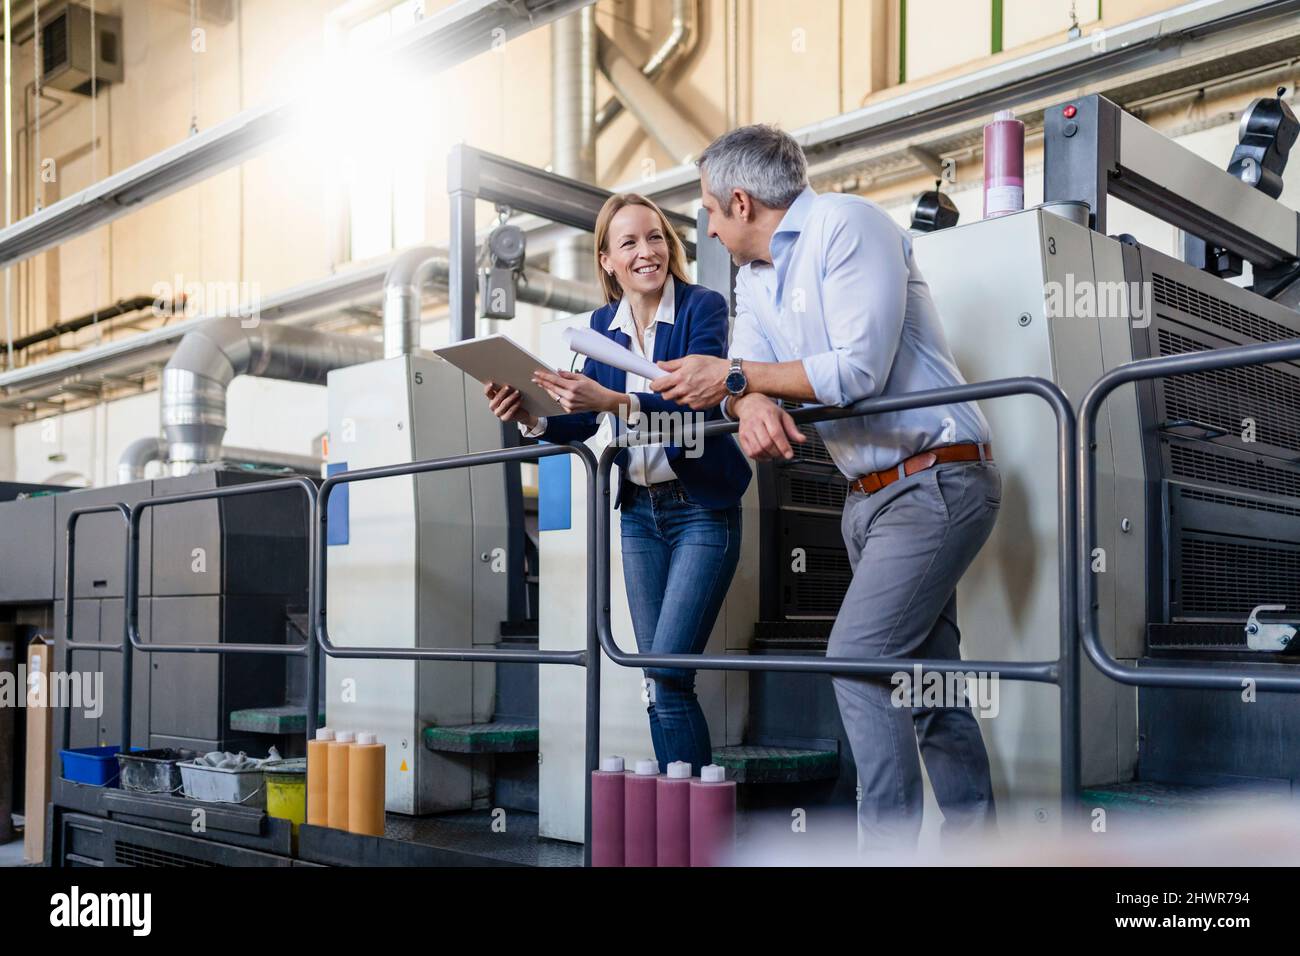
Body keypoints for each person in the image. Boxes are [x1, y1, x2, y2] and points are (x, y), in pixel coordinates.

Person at [652, 125, 1000, 848]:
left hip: (936, 477)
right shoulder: (754, 279)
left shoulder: (847, 225)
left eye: (710, 213)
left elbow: (854, 372)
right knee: (929, 688)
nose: (708, 228)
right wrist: (744, 399)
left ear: (741, 203)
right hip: (868, 497)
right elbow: (747, 376)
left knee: (858, 658)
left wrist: (739, 381)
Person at [484, 192, 751, 776]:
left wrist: (617, 401)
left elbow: (697, 400)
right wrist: (529, 413)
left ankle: (696, 831)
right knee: (653, 678)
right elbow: (579, 419)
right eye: (628, 242)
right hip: (639, 515)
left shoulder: (703, 308)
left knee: (667, 670)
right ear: (607, 260)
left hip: (702, 507)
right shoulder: (599, 328)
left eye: (655, 237)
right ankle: (687, 820)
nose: (646, 251)